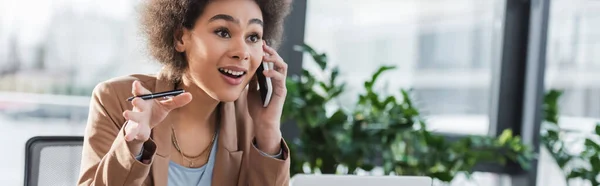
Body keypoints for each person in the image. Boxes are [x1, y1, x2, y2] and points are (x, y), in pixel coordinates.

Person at [77, 0, 292, 185]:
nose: (242, 52)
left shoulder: (251, 118)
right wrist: (132, 146)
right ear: (180, 38)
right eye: (223, 32)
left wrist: (267, 129)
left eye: (253, 37)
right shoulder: (118, 100)